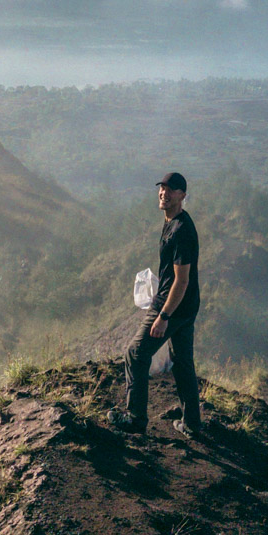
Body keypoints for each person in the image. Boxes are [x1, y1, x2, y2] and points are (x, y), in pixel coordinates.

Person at [108, 171, 202, 436]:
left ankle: (135, 419)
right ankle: (192, 424)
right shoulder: (172, 221)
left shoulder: (182, 231)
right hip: (186, 305)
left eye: (171, 190)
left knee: (135, 353)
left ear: (183, 195)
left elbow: (181, 281)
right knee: (182, 362)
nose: (164, 193)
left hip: (173, 306)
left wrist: (163, 316)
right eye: (162, 188)